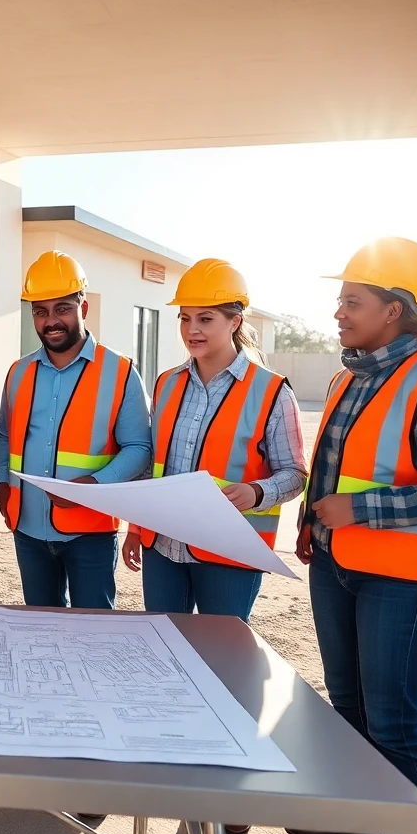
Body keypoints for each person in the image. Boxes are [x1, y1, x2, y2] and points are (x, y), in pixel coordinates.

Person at [285, 238, 417, 834]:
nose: (338, 312)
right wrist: (312, 524)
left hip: (402, 579)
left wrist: (359, 509)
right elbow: (335, 466)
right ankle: (347, 819)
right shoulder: (348, 379)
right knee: (345, 706)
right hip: (336, 562)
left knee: (392, 722)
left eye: (352, 301)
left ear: (393, 310)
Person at [121, 259, 307, 622]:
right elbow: (154, 465)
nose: (192, 330)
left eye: (205, 319)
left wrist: (257, 492)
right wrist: (136, 526)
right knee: (164, 642)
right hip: (162, 546)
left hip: (230, 551)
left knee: (220, 650)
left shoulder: (272, 392)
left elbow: (295, 474)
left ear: (235, 322)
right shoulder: (166, 383)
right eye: (184, 318)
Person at [0, 250, 151, 610]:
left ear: (84, 308)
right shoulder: (18, 373)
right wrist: (2, 484)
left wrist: (94, 486)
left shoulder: (121, 372)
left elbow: (139, 448)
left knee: (92, 628)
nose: (51, 321)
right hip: (28, 529)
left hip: (90, 533)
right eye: (40, 311)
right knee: (41, 627)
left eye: (62, 308)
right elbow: (4, 436)